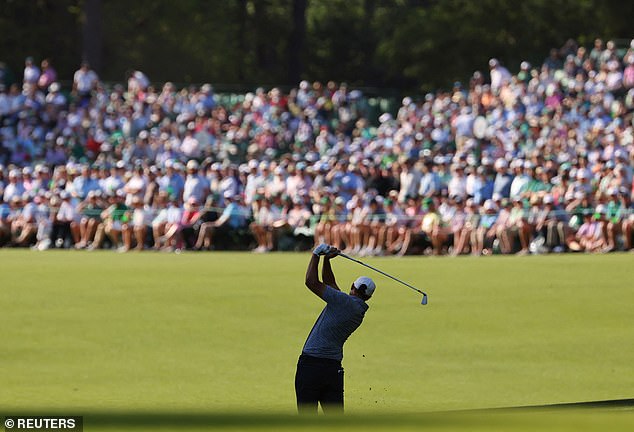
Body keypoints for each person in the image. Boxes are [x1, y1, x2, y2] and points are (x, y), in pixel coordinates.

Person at [296, 243, 376, 414]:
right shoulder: (356, 308)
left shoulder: (343, 302)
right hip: (333, 369)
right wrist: (327, 260)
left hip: (311, 365)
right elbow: (330, 284)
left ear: (352, 287)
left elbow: (311, 282)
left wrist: (316, 254)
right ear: (368, 297)